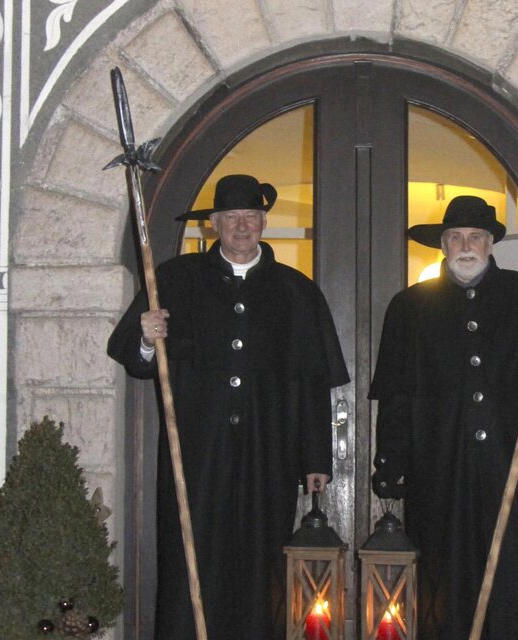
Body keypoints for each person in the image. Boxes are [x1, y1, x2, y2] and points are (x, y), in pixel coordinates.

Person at [108, 174, 349, 639]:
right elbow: (136, 362)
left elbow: (312, 381)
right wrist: (145, 337)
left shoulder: (296, 291)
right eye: (231, 218)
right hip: (196, 452)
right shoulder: (174, 280)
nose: (242, 226)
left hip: (270, 452)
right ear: (214, 224)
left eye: (251, 218)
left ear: (263, 223)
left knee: (261, 557)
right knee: (193, 555)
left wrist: (315, 457)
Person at [369, 195, 518, 639]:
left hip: (514, 468)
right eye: (456, 237)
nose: (465, 245)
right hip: (439, 468)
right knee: (445, 580)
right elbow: (394, 394)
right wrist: (390, 462)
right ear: (443, 244)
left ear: (490, 243)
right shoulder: (409, 307)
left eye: (475, 237)